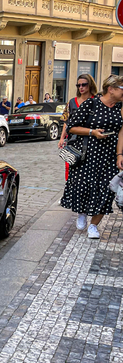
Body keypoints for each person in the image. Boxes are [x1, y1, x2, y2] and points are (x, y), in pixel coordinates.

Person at [60, 74, 123, 239]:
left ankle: (94, 225)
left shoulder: (121, 107)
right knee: (84, 187)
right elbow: (71, 127)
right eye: (122, 88)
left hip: (109, 156)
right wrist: (92, 132)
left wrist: (119, 154)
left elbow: (122, 131)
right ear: (111, 89)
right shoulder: (91, 103)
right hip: (88, 154)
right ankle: (81, 213)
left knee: (107, 190)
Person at [58, 74, 98, 181]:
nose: (81, 87)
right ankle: (69, 185)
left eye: (84, 85)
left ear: (90, 85)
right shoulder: (71, 102)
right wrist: (62, 138)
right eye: (78, 85)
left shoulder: (97, 101)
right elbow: (67, 121)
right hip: (73, 139)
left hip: (91, 139)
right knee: (70, 163)